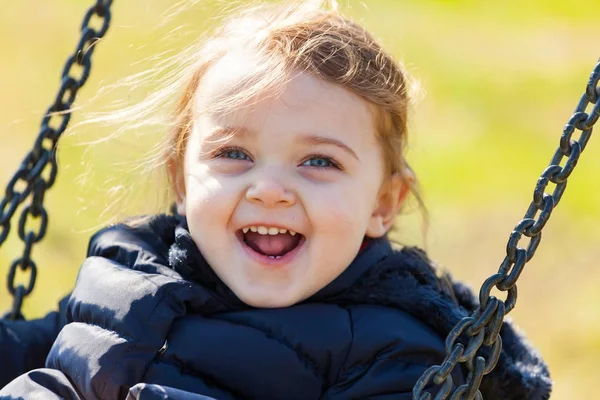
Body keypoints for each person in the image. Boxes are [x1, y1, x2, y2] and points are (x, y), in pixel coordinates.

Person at [0, 1, 552, 399]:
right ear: (182, 180)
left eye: (319, 162)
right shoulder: (124, 269)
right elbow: (39, 348)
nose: (268, 189)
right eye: (234, 153)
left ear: (384, 204)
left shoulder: (395, 350)